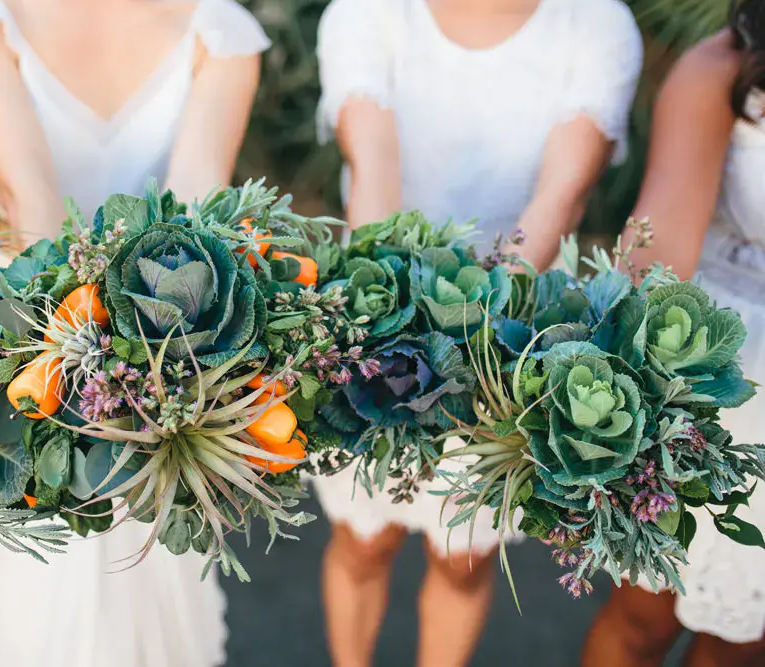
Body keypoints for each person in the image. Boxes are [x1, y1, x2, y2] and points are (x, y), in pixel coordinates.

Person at [0, 1, 268, 665]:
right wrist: (89, 367)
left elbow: (196, 221)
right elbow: (29, 208)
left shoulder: (218, 30)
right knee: (43, 595)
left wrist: (150, 368)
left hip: (173, 342)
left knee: (163, 588)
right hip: (31, 344)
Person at [312, 0, 643, 665]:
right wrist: (395, 331)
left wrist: (477, 350)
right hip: (381, 304)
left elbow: (559, 199)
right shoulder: (363, 12)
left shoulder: (599, 25)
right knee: (363, 538)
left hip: (515, 328)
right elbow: (373, 178)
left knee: (463, 555)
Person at [583, 2, 765, 666]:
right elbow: (656, 259)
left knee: (743, 643)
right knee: (641, 616)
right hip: (716, 356)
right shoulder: (724, 65)